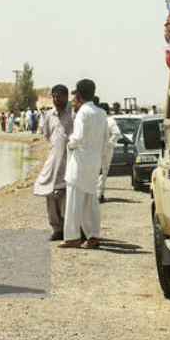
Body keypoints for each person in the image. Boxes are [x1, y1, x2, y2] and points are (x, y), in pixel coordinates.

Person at [60, 79, 110, 249]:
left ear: (79, 95)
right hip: (94, 162)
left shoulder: (83, 112)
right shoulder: (102, 113)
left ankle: (73, 237)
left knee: (74, 200)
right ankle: (93, 236)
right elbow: (105, 139)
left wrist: (70, 143)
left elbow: (78, 136)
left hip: (80, 162)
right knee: (91, 201)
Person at [33, 85, 74, 240]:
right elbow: (47, 136)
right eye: (54, 97)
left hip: (69, 160)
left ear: (66, 97)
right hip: (53, 160)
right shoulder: (49, 115)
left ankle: (69, 229)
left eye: (60, 97)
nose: (57, 100)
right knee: (50, 194)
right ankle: (56, 229)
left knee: (66, 196)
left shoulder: (73, 114)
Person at [97, 115, 123, 203]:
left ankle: (96, 195)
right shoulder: (110, 121)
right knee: (102, 172)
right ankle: (99, 195)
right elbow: (117, 133)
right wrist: (109, 145)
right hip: (105, 151)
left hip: (93, 150)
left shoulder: (94, 119)